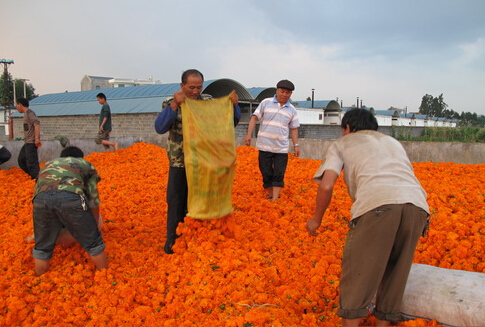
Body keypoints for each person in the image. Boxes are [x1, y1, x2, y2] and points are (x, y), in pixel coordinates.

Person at [306, 108, 430, 326]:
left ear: (347, 128)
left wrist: (316, 220)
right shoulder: (393, 142)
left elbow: (326, 186)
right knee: (396, 272)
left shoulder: (343, 143)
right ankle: (385, 321)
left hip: (377, 205)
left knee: (357, 274)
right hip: (417, 207)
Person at [154, 69, 241, 254]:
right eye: (191, 87)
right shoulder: (171, 103)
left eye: (199, 87)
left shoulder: (209, 102)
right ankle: (174, 241)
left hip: (205, 163)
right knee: (177, 201)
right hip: (181, 162)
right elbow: (160, 127)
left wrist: (234, 106)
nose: (195, 91)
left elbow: (230, 122)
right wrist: (175, 105)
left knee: (205, 200)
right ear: (182, 86)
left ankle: (201, 238)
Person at [31, 146, 107, 276]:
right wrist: (93, 227)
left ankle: (39, 279)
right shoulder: (85, 165)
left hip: (40, 200)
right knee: (93, 242)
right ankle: (105, 276)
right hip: (70, 196)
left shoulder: (48, 164)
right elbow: (93, 200)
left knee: (42, 247)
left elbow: (39, 192)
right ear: (80, 158)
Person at [245, 79, 300, 202]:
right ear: (277, 90)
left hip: (281, 147)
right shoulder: (266, 103)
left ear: (291, 94)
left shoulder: (292, 109)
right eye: (282, 91)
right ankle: (271, 195)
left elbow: (294, 129)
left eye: (288, 92)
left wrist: (296, 145)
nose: (285, 94)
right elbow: (254, 118)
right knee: (266, 172)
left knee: (279, 173)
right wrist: (248, 135)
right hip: (264, 145)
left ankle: (274, 199)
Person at [16, 97, 41, 179]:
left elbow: (36, 124)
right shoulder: (26, 114)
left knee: (32, 163)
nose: (17, 108)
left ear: (20, 105)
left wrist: (36, 139)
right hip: (27, 142)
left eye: (17, 106)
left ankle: (37, 179)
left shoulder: (30, 113)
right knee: (21, 160)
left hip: (31, 142)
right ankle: (33, 175)